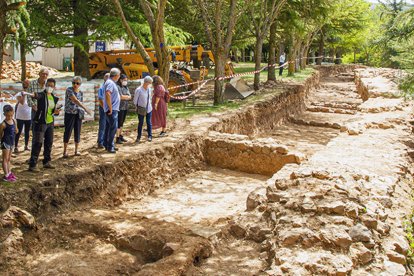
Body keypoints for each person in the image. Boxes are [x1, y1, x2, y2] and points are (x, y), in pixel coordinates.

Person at [28, 78, 62, 172]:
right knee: (37, 143)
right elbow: (35, 95)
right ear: (45, 85)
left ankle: (46, 162)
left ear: (54, 87)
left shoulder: (53, 98)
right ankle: (32, 164)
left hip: (50, 122)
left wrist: (56, 111)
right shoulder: (42, 95)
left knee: (49, 142)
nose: (50, 87)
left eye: (52, 86)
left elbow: (53, 111)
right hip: (40, 122)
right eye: (48, 85)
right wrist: (29, 94)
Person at [62, 76, 92, 158]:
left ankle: (76, 150)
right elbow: (75, 100)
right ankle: (65, 151)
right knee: (68, 131)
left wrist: (82, 110)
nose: (75, 84)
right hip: (69, 113)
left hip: (78, 113)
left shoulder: (81, 92)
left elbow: (80, 102)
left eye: (77, 83)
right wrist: (86, 108)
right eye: (74, 83)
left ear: (80, 84)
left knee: (77, 131)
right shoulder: (69, 90)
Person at [103, 68, 121, 153]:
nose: (119, 77)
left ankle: (107, 145)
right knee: (113, 128)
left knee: (108, 127)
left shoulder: (110, 82)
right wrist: (110, 107)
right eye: (119, 75)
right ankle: (110, 146)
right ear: (116, 75)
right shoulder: (110, 83)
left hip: (112, 109)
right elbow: (108, 94)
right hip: (112, 109)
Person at [14, 79, 33, 153]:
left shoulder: (30, 93)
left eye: (28, 84)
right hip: (20, 116)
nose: (27, 85)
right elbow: (21, 102)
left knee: (27, 131)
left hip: (28, 115)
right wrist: (24, 94)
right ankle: (16, 146)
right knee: (18, 131)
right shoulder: (19, 94)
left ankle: (26, 145)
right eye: (25, 84)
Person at [0, 105, 18, 182]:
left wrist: (16, 130)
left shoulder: (14, 121)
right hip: (5, 142)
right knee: (5, 158)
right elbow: (0, 134)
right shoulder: (3, 124)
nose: (10, 117)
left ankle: (9, 172)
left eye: (11, 115)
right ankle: (6, 175)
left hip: (11, 142)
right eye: (8, 116)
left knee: (9, 159)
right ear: (4, 114)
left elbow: (16, 130)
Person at [134, 76, 153, 144]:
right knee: (141, 123)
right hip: (141, 108)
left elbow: (150, 97)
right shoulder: (138, 90)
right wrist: (137, 107)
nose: (150, 84)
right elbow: (135, 100)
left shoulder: (149, 89)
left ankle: (150, 136)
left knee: (149, 122)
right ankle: (138, 137)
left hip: (149, 108)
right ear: (146, 82)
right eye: (150, 83)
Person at [115, 74, 132, 144]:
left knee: (122, 123)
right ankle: (117, 137)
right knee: (119, 123)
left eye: (126, 80)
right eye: (124, 80)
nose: (125, 81)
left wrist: (126, 97)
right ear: (120, 80)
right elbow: (120, 97)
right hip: (120, 107)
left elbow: (130, 96)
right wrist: (126, 97)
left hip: (125, 107)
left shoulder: (126, 87)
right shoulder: (118, 87)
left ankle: (120, 135)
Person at [97, 73, 110, 148]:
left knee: (108, 125)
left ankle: (105, 140)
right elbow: (100, 99)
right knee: (103, 125)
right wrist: (105, 108)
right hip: (103, 109)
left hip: (108, 108)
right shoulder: (102, 88)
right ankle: (100, 142)